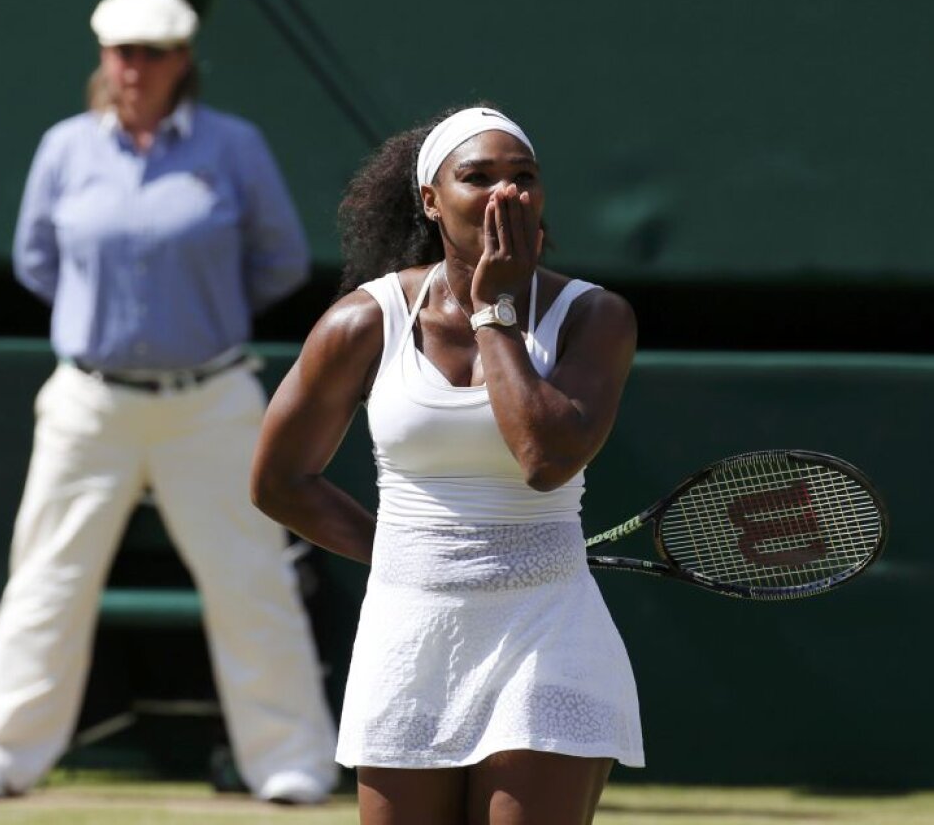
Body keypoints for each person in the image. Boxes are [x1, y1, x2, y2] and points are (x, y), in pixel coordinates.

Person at [0, 0, 338, 806]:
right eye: (123, 52)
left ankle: (292, 761)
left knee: (252, 577)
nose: (135, 68)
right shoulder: (64, 149)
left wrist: (196, 316)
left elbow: (280, 261)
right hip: (88, 402)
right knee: (46, 577)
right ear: (104, 56)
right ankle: (1, 756)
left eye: (153, 53)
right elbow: (36, 260)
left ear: (182, 60)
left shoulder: (235, 147)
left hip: (212, 398)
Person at [251, 106, 645, 823]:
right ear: (431, 200)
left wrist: (493, 311)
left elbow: (545, 459)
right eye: (479, 177)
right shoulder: (364, 321)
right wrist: (411, 554)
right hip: (408, 635)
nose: (505, 193)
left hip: (549, 634)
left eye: (522, 176)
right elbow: (279, 482)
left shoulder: (596, 318)